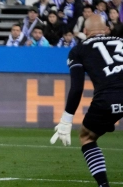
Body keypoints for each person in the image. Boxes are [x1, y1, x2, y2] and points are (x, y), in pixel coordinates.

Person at [50, 14, 123, 187]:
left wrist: (66, 120)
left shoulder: (79, 50)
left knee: (87, 137)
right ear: (106, 30)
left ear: (85, 31)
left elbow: (77, 88)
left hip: (107, 98)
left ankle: (103, 185)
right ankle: (108, 123)